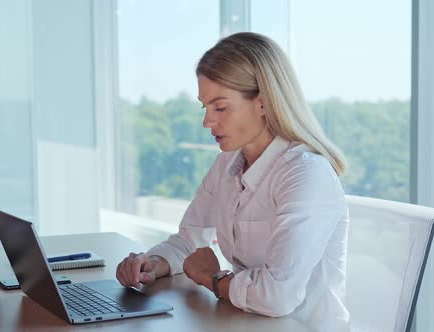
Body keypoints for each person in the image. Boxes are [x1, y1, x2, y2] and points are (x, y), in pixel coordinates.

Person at [116, 32, 349, 330]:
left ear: (263, 103)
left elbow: (277, 297)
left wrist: (212, 280)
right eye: (205, 107)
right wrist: (153, 263)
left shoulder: (306, 175)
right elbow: (191, 240)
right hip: (243, 323)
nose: (207, 122)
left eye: (220, 107)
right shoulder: (228, 163)